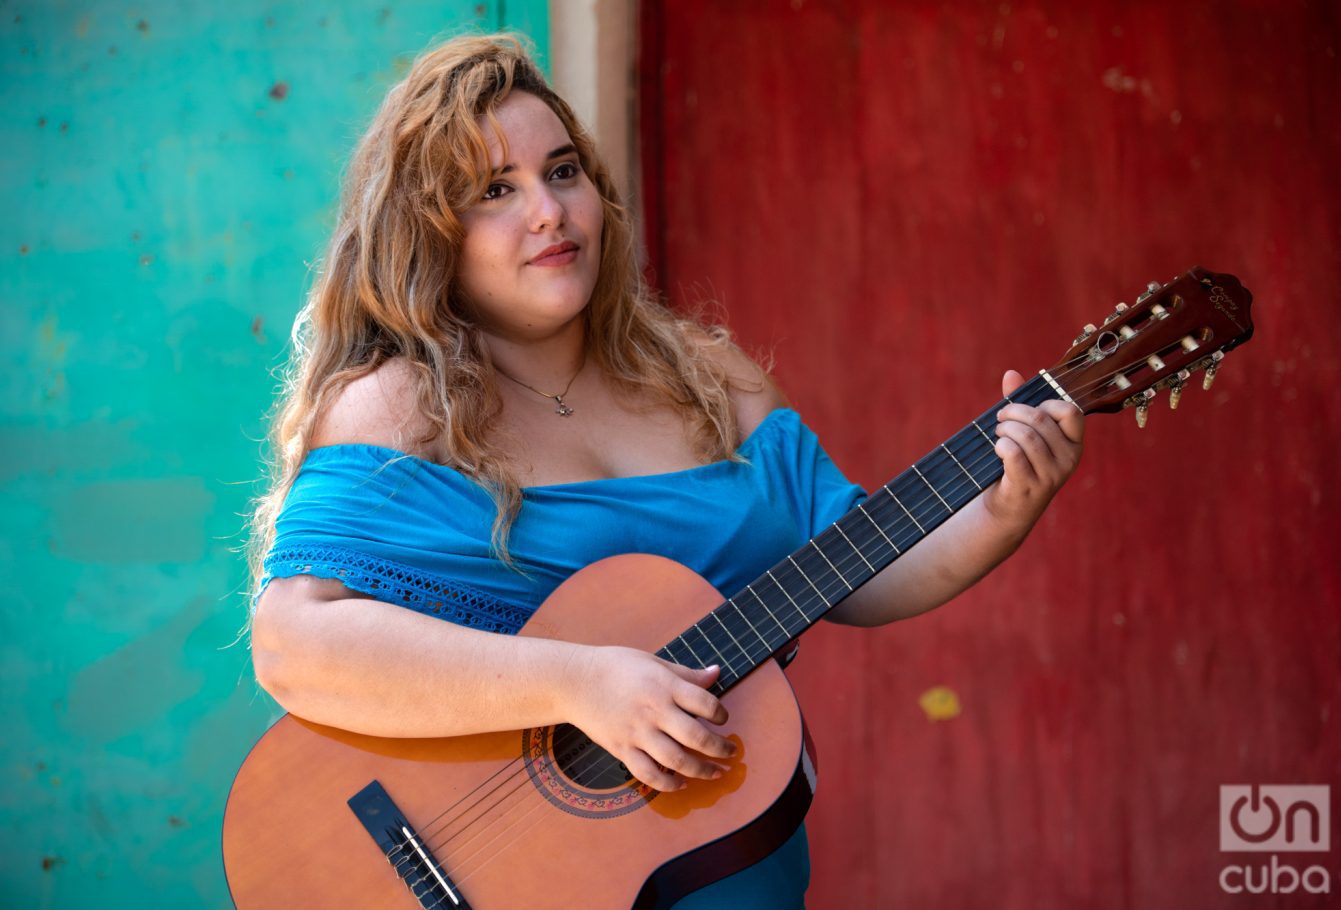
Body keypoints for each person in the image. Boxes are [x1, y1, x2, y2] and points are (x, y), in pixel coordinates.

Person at [245, 33, 1084, 908]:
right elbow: (296, 644)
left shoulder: (707, 380)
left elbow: (853, 562)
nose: (548, 211)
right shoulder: (398, 407)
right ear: (428, 232)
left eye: (562, 172)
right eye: (497, 190)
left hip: (730, 865)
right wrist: (583, 684)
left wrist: (1001, 512)